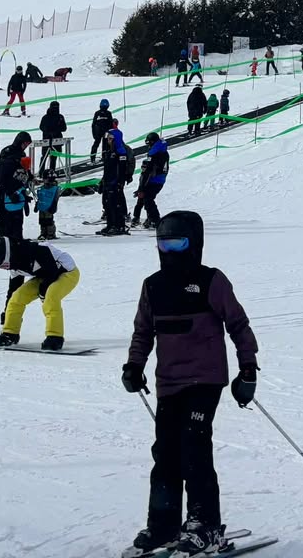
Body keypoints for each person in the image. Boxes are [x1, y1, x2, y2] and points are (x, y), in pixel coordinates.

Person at [121, 210, 259, 557]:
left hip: (205, 379)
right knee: (165, 454)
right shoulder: (153, 285)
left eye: (178, 242)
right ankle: (163, 525)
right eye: (163, 243)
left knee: (194, 448)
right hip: (168, 382)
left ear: (193, 244)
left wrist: (248, 369)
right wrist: (134, 365)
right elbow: (143, 331)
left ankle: (205, 525)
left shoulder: (211, 281)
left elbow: (238, 325)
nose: (170, 250)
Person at [0, 234, 80, 349]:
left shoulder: (39, 250)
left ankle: (55, 337)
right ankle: (10, 333)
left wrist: (43, 292)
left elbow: (51, 271)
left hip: (67, 273)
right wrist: (6, 314)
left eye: (5, 265)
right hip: (44, 276)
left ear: (10, 255)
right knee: (16, 298)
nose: (6, 268)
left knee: (51, 297)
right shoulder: (15, 266)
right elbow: (13, 290)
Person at [98, 123, 130, 235]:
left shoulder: (120, 152)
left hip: (115, 182)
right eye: (108, 138)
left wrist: (119, 183)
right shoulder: (109, 151)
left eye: (111, 138)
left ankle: (119, 225)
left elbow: (121, 170)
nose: (109, 140)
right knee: (107, 204)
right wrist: (103, 181)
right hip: (108, 181)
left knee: (115, 204)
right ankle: (110, 225)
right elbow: (107, 169)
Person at [133, 133, 170, 229]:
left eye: (149, 144)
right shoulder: (163, 152)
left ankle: (154, 220)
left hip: (153, 180)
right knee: (146, 198)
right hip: (160, 179)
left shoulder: (155, 155)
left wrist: (141, 188)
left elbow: (147, 172)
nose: (148, 146)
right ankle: (148, 218)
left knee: (148, 199)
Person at [39, 100, 68, 173]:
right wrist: (49, 132)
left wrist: (57, 130)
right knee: (44, 156)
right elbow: (41, 127)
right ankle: (41, 172)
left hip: (57, 140)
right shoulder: (46, 117)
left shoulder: (60, 117)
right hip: (47, 140)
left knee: (54, 157)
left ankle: (52, 172)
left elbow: (64, 128)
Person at [35, 169, 60, 239]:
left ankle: (50, 233)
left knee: (49, 220)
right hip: (42, 207)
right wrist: (37, 205)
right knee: (42, 220)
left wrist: (54, 205)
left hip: (49, 207)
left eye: (45, 179)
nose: (44, 180)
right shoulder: (43, 187)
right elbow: (40, 197)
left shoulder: (54, 188)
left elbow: (55, 198)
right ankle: (43, 233)